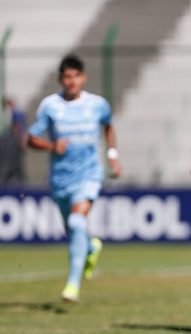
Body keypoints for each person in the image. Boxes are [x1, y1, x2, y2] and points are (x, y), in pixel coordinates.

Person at [27, 54, 121, 302]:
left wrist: (112, 156)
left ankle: (72, 285)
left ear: (83, 77)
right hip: (61, 179)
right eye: (67, 77)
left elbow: (109, 126)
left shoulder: (97, 104)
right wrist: (51, 146)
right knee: (74, 229)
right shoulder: (50, 106)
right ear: (61, 79)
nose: (72, 81)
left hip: (90, 174)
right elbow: (30, 139)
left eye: (76, 76)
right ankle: (91, 247)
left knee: (78, 223)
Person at [0, 97, 28, 185]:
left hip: (11, 142)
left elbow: (20, 128)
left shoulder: (17, 114)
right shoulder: (6, 114)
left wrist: (22, 139)